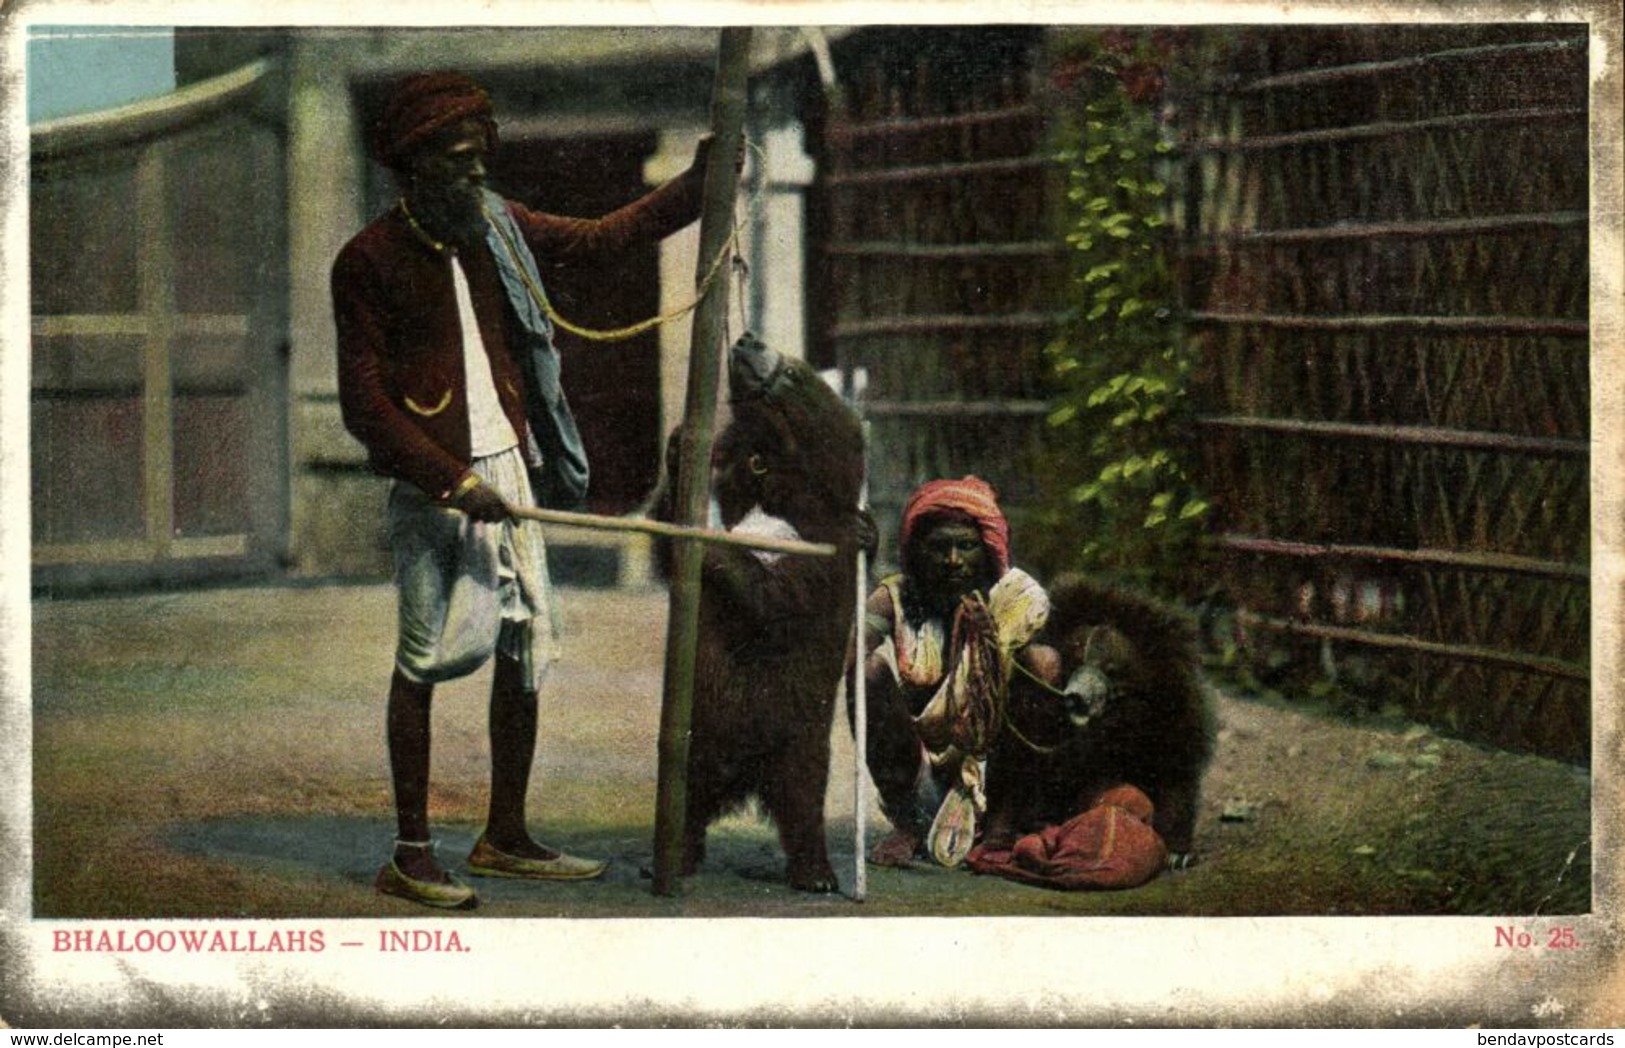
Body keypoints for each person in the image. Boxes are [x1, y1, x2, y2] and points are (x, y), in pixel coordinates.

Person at [332, 71, 712, 908]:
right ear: (414, 166)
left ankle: (504, 836)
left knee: (525, 646)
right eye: (460, 163)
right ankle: (409, 851)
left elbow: (602, 238)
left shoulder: (491, 226)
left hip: (507, 461)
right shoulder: (367, 260)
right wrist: (451, 479)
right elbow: (365, 406)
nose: (477, 176)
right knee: (425, 659)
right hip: (435, 478)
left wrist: (697, 185)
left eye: (481, 159)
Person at [855, 477, 1062, 867]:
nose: (953, 560)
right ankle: (910, 827)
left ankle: (1001, 828)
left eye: (965, 546)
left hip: (992, 780)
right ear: (917, 552)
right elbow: (845, 658)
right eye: (939, 547)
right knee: (867, 673)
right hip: (923, 783)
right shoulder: (896, 597)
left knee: (1043, 663)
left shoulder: (1011, 603)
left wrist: (994, 649)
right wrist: (859, 569)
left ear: (986, 550)